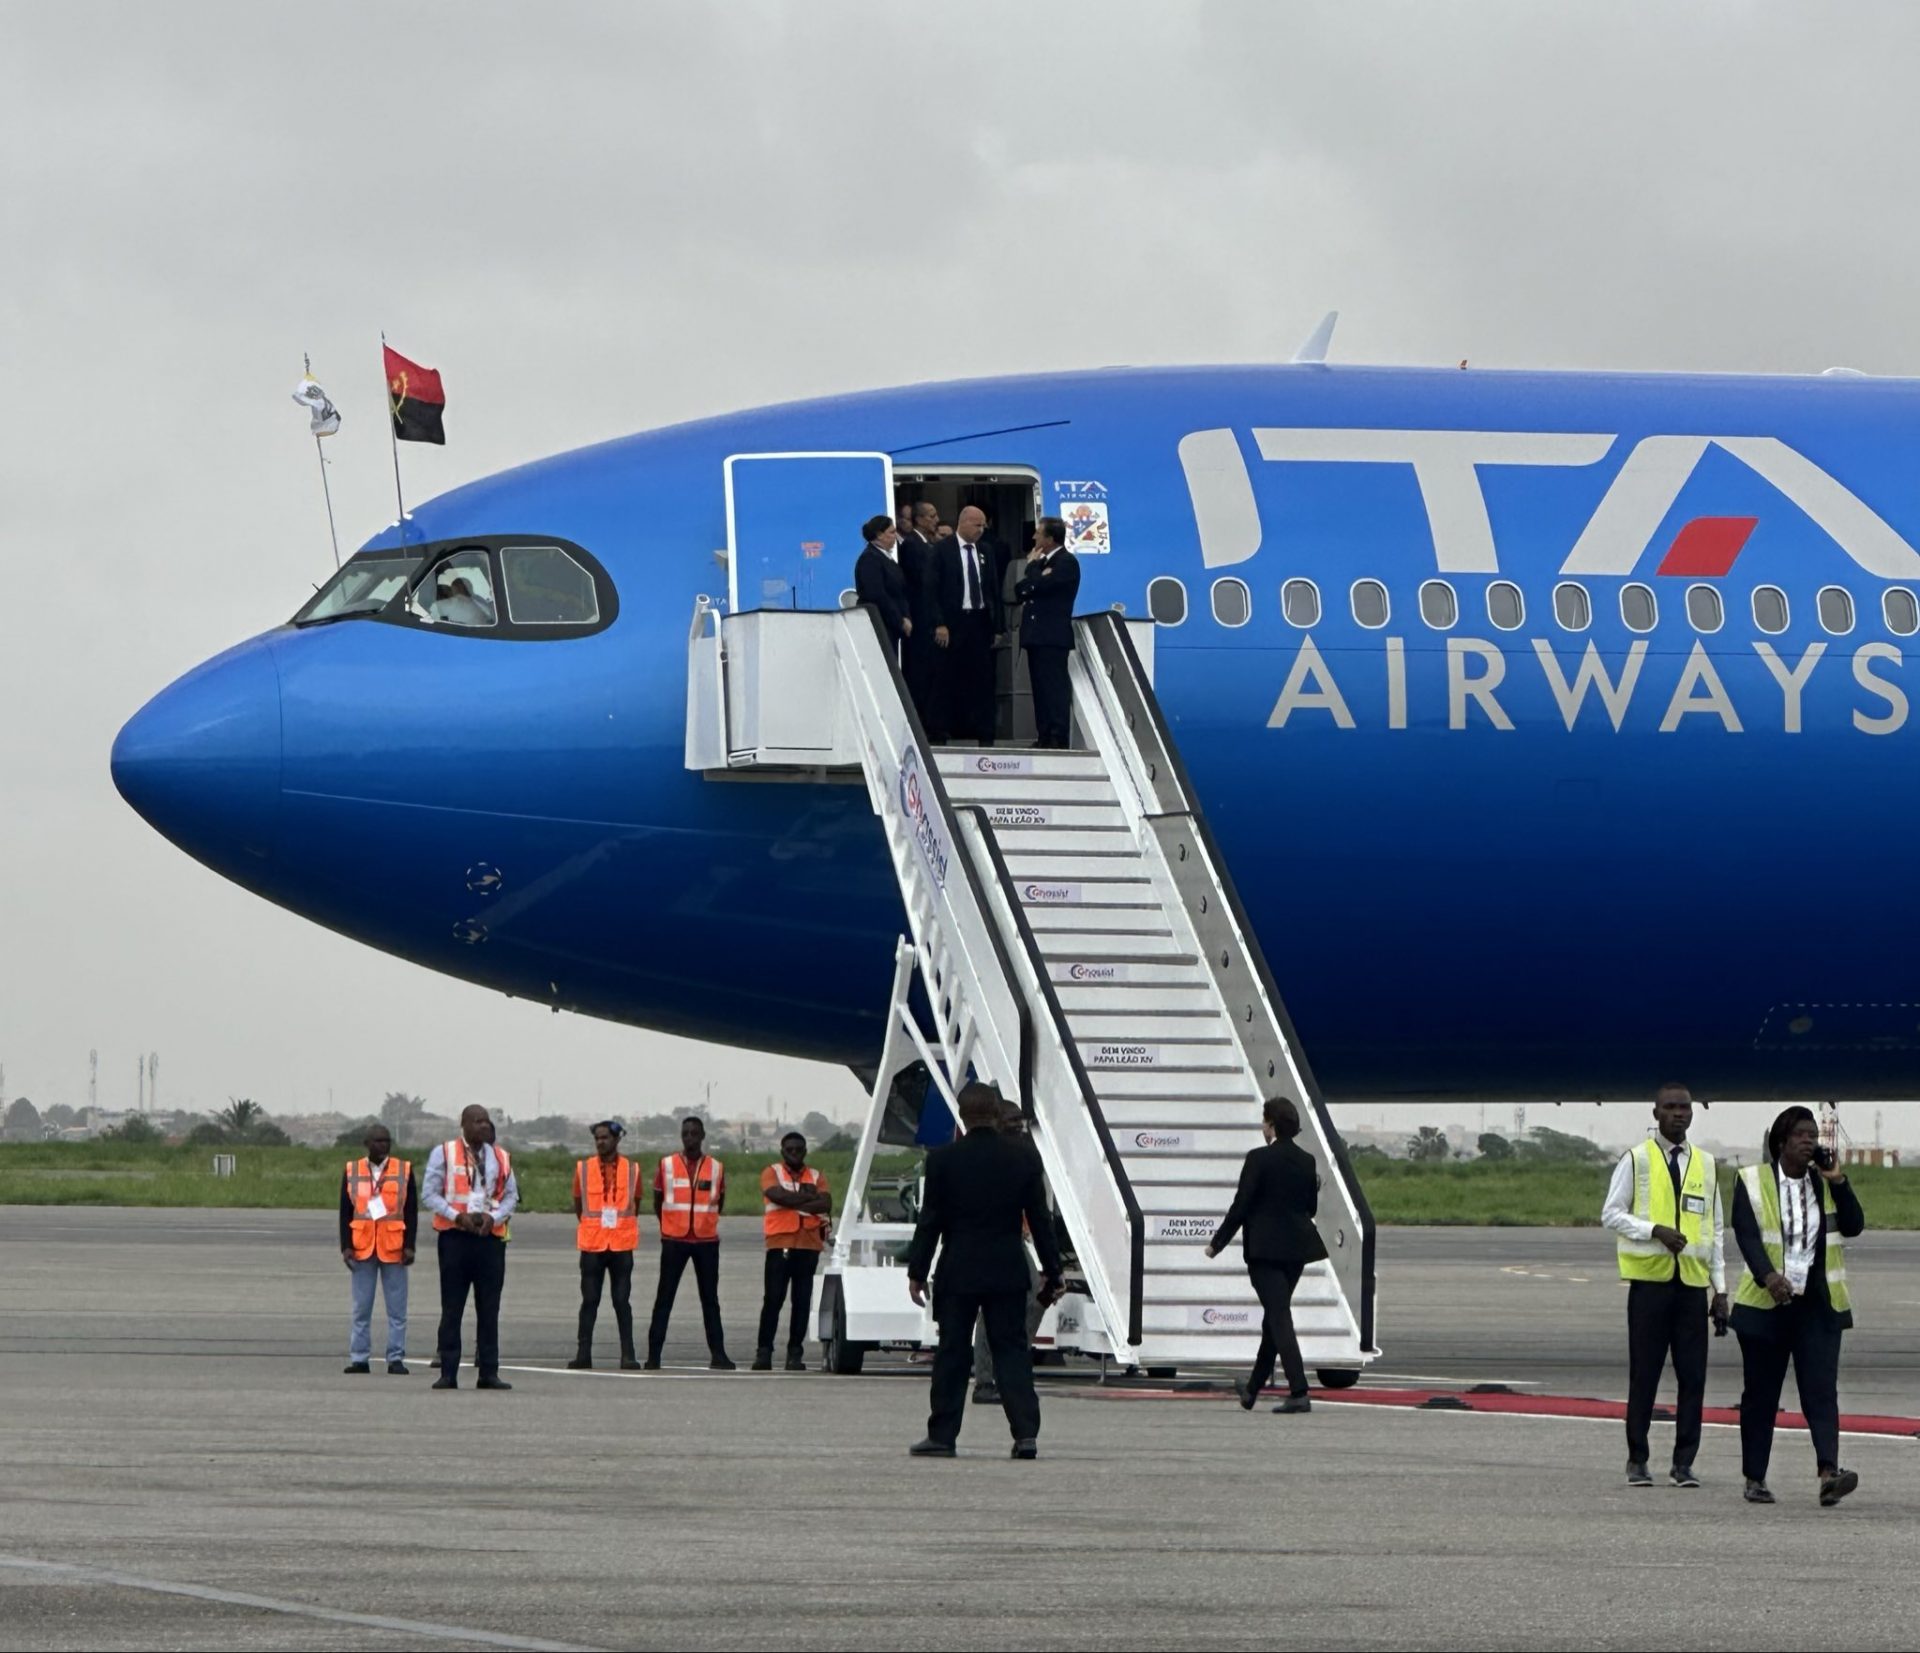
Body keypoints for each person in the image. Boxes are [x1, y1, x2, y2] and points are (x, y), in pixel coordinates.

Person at [906, 1083, 1063, 1459]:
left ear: (962, 1115)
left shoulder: (943, 1160)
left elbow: (930, 1222)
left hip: (958, 1270)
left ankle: (942, 1435)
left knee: (953, 1353)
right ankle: (1026, 1435)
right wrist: (1052, 1271)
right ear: (995, 1114)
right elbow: (1041, 1222)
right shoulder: (1023, 1159)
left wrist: (917, 1271)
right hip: (1006, 1268)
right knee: (1011, 1351)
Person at [1731, 1105, 1865, 1507]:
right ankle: (1755, 1477)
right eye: (1802, 1135)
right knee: (1761, 1395)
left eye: (1813, 1135)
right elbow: (1748, 1235)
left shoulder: (1822, 1182)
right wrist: (1768, 1276)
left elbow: (1854, 1225)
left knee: (1821, 1391)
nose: (1810, 1141)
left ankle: (1829, 1473)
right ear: (1782, 1141)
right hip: (1766, 1306)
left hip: (1817, 1308)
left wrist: (1838, 1180)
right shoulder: (1752, 1181)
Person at [1599, 1082, 1727, 1488]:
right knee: (1645, 1375)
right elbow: (1611, 1214)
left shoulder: (1706, 1165)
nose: (1679, 1114)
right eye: (1670, 1107)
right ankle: (1637, 1458)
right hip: (1650, 1286)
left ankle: (1684, 1462)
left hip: (1691, 1286)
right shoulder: (1636, 1160)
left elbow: (1715, 1231)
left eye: (1685, 1108)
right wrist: (1653, 1230)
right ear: (1655, 1115)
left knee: (1693, 1378)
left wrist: (1720, 1289)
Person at [1205, 1096, 1327, 1414]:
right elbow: (1310, 1208)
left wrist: (1217, 1243)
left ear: (1271, 1125)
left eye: (1264, 1121)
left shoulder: (1258, 1159)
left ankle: (1299, 1390)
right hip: (1297, 1251)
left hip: (1265, 1251)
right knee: (1274, 1318)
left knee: (1278, 1316)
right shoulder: (1307, 1161)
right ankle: (1252, 1389)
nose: (1262, 1127)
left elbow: (1241, 1206)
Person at [422, 1104, 518, 1391]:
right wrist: (456, 1216)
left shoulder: (500, 1156)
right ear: (463, 1124)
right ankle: (448, 1372)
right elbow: (430, 1193)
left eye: (486, 1121)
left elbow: (512, 1196)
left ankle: (488, 1371)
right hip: (455, 1238)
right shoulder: (445, 1152)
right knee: (452, 1306)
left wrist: (494, 1217)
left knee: (489, 1308)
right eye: (477, 1121)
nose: (484, 1126)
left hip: (489, 1239)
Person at [972, 1098, 1046, 1406]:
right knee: (990, 1308)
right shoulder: (983, 1155)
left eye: (1021, 1119)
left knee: (1037, 1297)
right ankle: (985, 1380)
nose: (1018, 1124)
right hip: (985, 1238)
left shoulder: (1024, 1154)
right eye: (1012, 1119)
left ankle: (1011, 1366)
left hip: (1015, 1238)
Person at [646, 1116, 734, 1369]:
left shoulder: (716, 1167)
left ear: (703, 1135)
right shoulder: (667, 1165)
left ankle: (719, 1354)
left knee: (710, 1300)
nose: (690, 1138)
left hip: (706, 1241)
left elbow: (720, 1201)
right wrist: (669, 1226)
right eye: (686, 1133)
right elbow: (658, 1201)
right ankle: (654, 1356)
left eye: (695, 1133)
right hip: (674, 1240)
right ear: (681, 1136)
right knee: (665, 1298)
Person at [339, 1124, 417, 1375]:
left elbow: (411, 1211)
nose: (384, 1145)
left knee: (397, 1309)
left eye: (387, 1141)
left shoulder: (404, 1170)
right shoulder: (352, 1170)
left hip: (393, 1248)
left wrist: (410, 1245)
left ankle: (395, 1357)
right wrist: (346, 1246)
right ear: (367, 1143)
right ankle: (359, 1358)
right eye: (378, 1141)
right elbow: (345, 1211)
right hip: (362, 1248)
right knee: (361, 1308)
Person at [755, 1131, 832, 1370]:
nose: (795, 1153)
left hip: (808, 1245)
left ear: (805, 1151)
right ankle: (764, 1352)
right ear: (782, 1152)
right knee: (773, 1301)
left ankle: (795, 1354)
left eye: (799, 1149)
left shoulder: (817, 1175)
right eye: (790, 1149)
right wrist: (806, 1199)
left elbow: (826, 1203)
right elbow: (775, 1195)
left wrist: (792, 1199)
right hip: (780, 1244)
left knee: (801, 1303)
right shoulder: (772, 1172)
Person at [569, 1120, 642, 1371]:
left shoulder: (632, 1169)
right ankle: (583, 1354)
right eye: (597, 1138)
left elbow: (636, 1203)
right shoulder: (584, 1169)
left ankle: (628, 1355)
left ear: (617, 1140)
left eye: (605, 1138)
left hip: (621, 1244)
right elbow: (579, 1204)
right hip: (592, 1244)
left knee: (622, 1300)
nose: (601, 1142)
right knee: (590, 1300)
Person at [936, 506, 1005, 745]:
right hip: (954, 623)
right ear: (963, 522)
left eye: (983, 525)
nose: (981, 530)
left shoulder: (986, 551)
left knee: (983, 680)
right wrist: (939, 623)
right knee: (948, 678)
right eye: (977, 525)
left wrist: (998, 627)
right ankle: (944, 729)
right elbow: (931, 589)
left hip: (980, 622)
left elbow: (994, 591)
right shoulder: (942, 550)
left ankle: (985, 731)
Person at [1014, 516, 1081, 748]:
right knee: (1040, 688)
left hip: (1052, 636)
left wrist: (1032, 568)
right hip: (1036, 636)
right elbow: (1020, 590)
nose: (1034, 538)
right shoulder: (1044, 565)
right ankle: (1044, 733)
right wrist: (1035, 578)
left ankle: (1057, 735)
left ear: (1050, 539)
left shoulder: (1066, 562)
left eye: (1038, 534)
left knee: (1054, 687)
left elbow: (1041, 586)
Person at [900, 501, 948, 738]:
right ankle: (922, 726)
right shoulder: (912, 545)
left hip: (929, 620)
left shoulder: (930, 544)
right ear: (919, 519)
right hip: (921, 621)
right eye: (931, 516)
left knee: (934, 675)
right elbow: (923, 585)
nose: (936, 520)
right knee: (920, 675)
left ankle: (933, 723)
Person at [853, 515, 913, 656]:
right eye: (892, 532)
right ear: (879, 535)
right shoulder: (870, 559)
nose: (895, 536)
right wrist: (899, 619)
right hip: (879, 625)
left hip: (890, 626)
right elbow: (877, 594)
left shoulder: (885, 558)